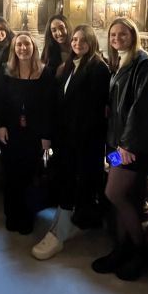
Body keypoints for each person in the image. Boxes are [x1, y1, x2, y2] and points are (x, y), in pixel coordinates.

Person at [91, 16, 148, 281]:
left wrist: (126, 145)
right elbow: (120, 102)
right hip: (118, 144)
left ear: (133, 35)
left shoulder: (145, 64)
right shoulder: (123, 61)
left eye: (123, 34)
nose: (117, 39)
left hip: (133, 148)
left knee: (115, 194)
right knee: (125, 197)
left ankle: (140, 251)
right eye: (113, 35)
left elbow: (142, 108)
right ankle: (122, 250)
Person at [31, 24, 110, 260]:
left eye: (83, 40)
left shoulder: (98, 69)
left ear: (92, 42)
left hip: (85, 142)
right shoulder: (69, 67)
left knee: (76, 183)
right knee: (65, 181)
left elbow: (95, 111)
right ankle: (65, 224)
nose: (77, 44)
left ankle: (61, 232)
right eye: (75, 40)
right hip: (66, 139)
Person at [0, 33, 53, 234]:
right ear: (14, 49)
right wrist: (1, 125)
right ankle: (12, 214)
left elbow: (49, 107)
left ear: (33, 47)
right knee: (11, 173)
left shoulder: (45, 73)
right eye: (18, 44)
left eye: (26, 44)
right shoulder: (5, 71)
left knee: (30, 174)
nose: (22, 48)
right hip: (10, 131)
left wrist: (46, 135)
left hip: (34, 133)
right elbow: (0, 101)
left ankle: (27, 216)